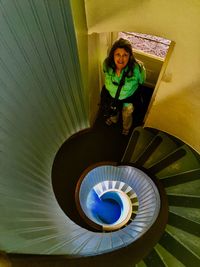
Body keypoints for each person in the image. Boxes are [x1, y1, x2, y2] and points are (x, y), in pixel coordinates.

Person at [101, 38, 146, 135]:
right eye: (118, 55)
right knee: (113, 109)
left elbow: (141, 81)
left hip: (128, 99)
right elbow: (105, 73)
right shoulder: (107, 64)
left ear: (130, 56)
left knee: (127, 114)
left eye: (125, 55)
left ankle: (126, 127)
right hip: (112, 97)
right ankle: (113, 119)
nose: (121, 59)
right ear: (113, 55)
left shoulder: (138, 69)